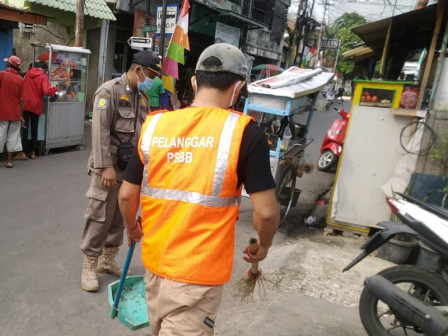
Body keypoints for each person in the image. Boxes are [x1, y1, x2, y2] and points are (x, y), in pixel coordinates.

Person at [118, 43, 280, 335]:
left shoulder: (155, 126)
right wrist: (263, 246)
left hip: (154, 270)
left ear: (194, 82)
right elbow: (266, 214)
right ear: (238, 88)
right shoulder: (245, 133)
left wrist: (132, 228)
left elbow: (127, 195)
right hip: (198, 278)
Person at [80, 50, 159, 292]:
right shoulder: (109, 91)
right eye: (151, 74)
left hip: (129, 169)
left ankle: (107, 259)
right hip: (109, 167)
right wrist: (105, 166)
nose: (152, 80)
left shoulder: (142, 98)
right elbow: (100, 130)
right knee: (100, 214)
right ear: (138, 70)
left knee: (119, 215)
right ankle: (90, 264)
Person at [14, 61, 58, 160]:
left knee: (24, 128)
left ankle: (23, 152)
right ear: (45, 70)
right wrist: (55, 89)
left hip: (25, 104)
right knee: (34, 129)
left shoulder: (28, 74)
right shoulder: (43, 77)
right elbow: (47, 91)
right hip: (36, 105)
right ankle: (33, 152)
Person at [0, 56, 24, 168]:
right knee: (13, 136)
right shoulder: (20, 79)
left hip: (2, 111)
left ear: (9, 65)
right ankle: (9, 161)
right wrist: (21, 116)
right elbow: (22, 100)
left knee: (0, 135)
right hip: (15, 112)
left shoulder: (2, 74)